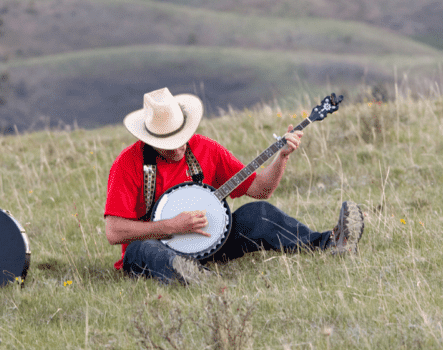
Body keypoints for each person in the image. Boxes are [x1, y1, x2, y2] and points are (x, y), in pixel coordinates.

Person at [104, 87, 364, 284]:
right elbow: (114, 232)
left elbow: (261, 188)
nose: (179, 147)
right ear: (149, 138)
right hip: (153, 248)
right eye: (169, 142)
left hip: (211, 243)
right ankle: (192, 275)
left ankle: (331, 242)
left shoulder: (206, 148)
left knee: (258, 212)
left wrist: (281, 157)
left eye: (182, 138)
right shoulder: (128, 164)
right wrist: (171, 226)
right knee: (143, 249)